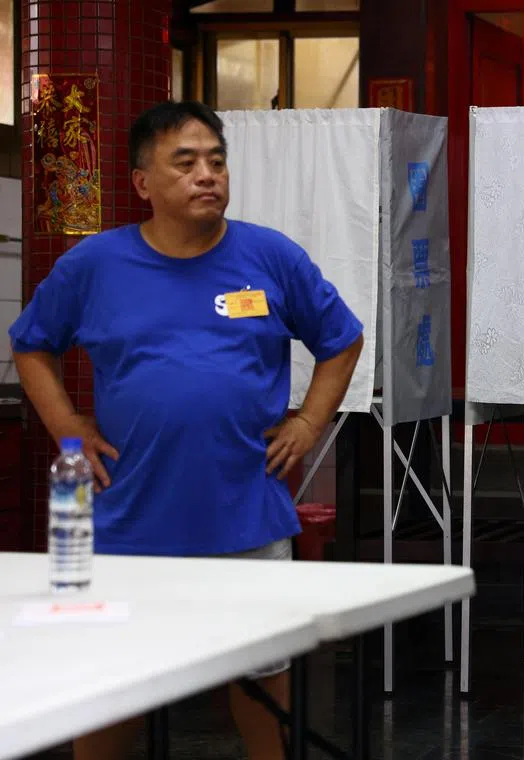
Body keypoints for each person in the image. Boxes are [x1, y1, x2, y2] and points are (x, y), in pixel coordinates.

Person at [9, 100, 364, 760]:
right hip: (128, 516)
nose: (208, 175)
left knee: (263, 680)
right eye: (186, 162)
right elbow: (31, 344)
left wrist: (312, 420)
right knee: (110, 684)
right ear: (143, 182)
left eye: (217, 161)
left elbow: (341, 339)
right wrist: (66, 424)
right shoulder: (95, 266)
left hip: (246, 512)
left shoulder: (271, 256)